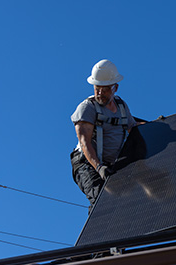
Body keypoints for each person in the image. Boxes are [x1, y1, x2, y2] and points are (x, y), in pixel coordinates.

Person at [70, 59, 138, 212]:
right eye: (97, 88)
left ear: (115, 88)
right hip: (87, 164)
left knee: (127, 201)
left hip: (112, 164)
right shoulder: (87, 108)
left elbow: (133, 128)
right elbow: (84, 142)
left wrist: (158, 127)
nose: (100, 93)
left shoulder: (121, 107)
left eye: (105, 89)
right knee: (102, 200)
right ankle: (97, 234)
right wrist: (99, 167)